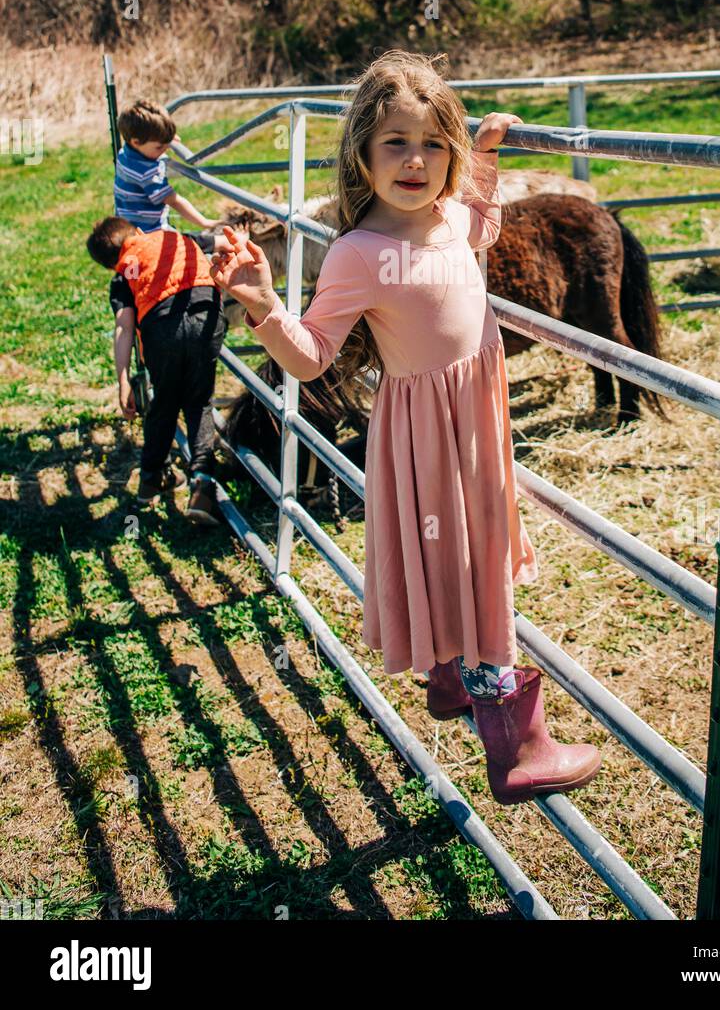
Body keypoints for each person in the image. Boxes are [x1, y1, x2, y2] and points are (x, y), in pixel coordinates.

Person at [209, 50, 601, 805]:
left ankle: (452, 673)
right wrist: (262, 304)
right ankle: (517, 747)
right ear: (362, 151)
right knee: (475, 564)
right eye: (396, 142)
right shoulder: (359, 252)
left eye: (432, 144)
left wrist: (483, 158)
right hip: (428, 436)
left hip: (476, 415)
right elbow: (314, 359)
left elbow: (480, 232)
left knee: (465, 553)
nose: (415, 161)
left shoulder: (450, 216)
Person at [86, 217, 236, 526]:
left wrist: (123, 379)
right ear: (139, 232)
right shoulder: (175, 238)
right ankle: (202, 485)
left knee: (164, 403)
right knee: (199, 402)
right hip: (205, 313)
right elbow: (223, 242)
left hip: (160, 328)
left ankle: (152, 478)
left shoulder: (122, 275)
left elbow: (124, 326)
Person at [113, 98, 218, 232]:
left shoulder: (125, 153)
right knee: (197, 246)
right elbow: (174, 201)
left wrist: (164, 137)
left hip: (128, 227)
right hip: (150, 232)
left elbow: (151, 139)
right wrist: (205, 222)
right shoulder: (146, 173)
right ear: (136, 142)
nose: (165, 148)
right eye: (159, 146)